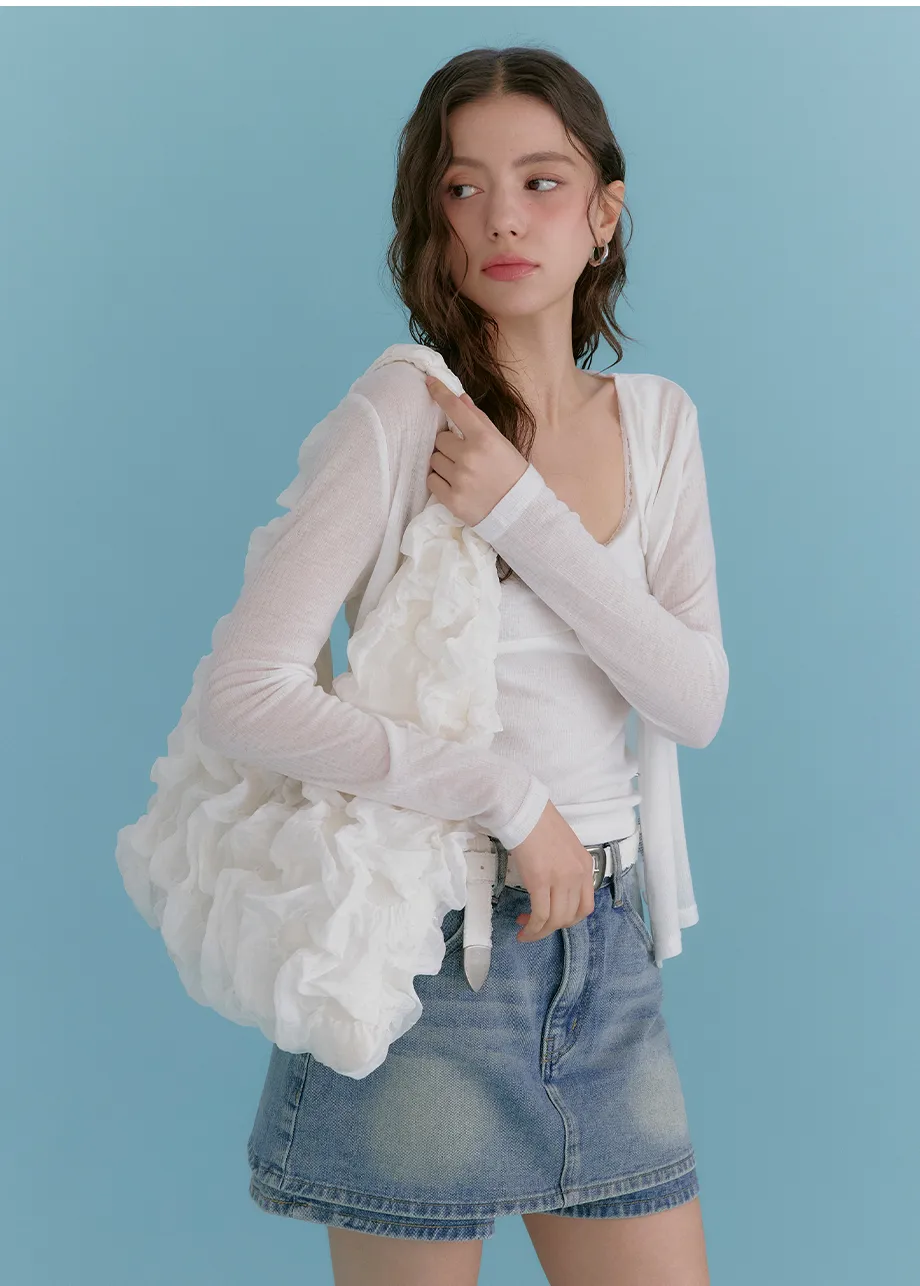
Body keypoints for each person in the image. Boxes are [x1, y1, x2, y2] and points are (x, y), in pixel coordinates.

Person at [200, 45, 726, 1286]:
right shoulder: (404, 416)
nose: (500, 218)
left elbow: (691, 699)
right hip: (433, 955)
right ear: (429, 220)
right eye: (461, 187)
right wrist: (509, 797)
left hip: (603, 953)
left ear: (603, 212)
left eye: (540, 182)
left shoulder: (657, 422)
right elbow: (244, 694)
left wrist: (520, 512)